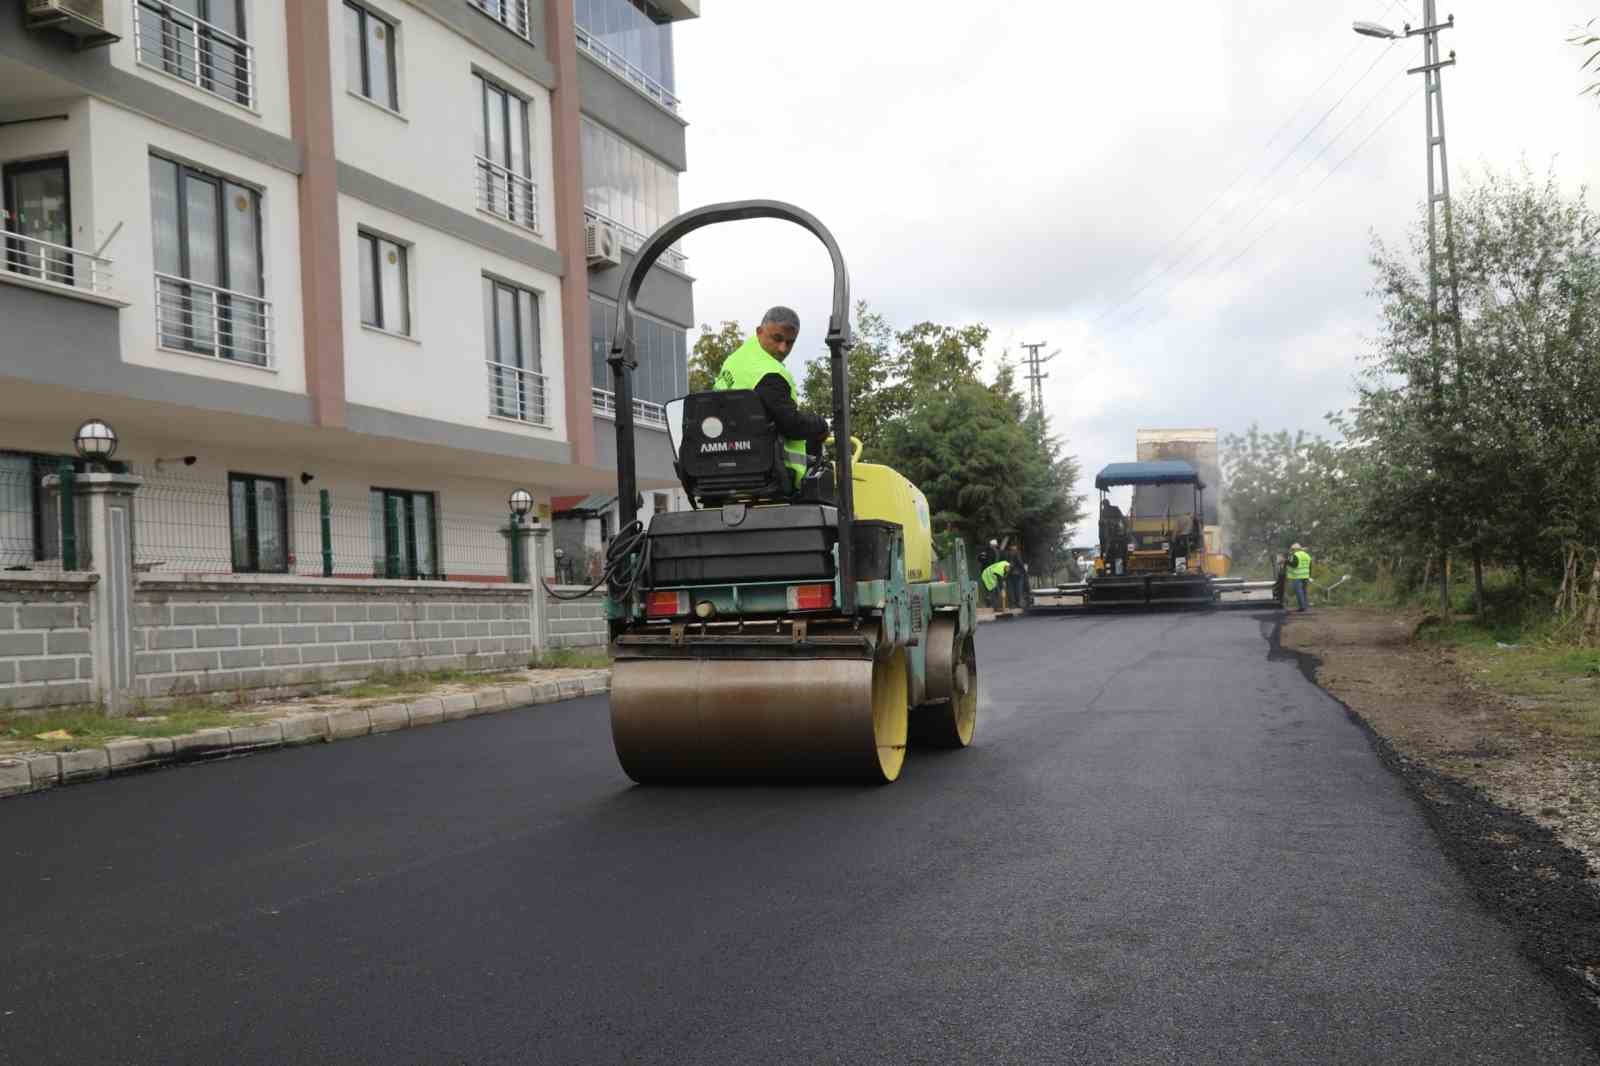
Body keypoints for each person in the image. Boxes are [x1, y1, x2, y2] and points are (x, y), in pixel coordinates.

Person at [713, 306, 829, 489]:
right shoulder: (770, 373)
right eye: (777, 339)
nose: (783, 348)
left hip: (723, 463)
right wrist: (821, 425)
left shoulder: (735, 359)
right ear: (760, 332)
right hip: (768, 472)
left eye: (790, 342)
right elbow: (792, 425)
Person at [1286, 542, 1313, 612]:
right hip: (1305, 576)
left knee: (1299, 592)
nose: (1292, 551)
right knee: (1304, 591)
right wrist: (1309, 575)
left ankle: (1302, 607)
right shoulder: (1307, 555)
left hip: (1297, 576)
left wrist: (1286, 562)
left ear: (1295, 549)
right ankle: (1305, 606)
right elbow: (1310, 566)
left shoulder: (1296, 555)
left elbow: (1294, 565)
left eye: (1292, 549)